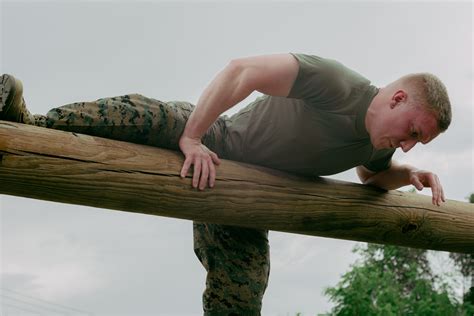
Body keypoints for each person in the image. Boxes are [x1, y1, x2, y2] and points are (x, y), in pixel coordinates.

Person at [0, 53, 451, 315]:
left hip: (252, 195)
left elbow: (370, 175)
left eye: (418, 144)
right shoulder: (337, 83)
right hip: (220, 141)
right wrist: (193, 136)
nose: (409, 146)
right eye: (413, 132)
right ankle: (31, 122)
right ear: (395, 99)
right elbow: (242, 71)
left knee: (244, 289)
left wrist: (405, 176)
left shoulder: (377, 143)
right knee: (148, 114)